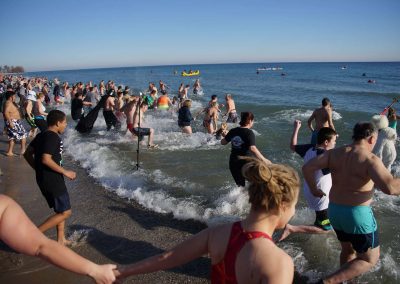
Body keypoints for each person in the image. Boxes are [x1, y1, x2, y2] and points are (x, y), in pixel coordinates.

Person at [115, 157, 300, 284]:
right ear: (283, 204)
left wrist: (123, 271)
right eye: (294, 205)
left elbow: (167, 258)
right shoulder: (279, 262)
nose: (294, 211)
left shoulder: (218, 233)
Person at [302, 122, 400, 283]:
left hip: (334, 211)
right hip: (356, 215)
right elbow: (390, 187)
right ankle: (328, 282)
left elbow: (307, 167)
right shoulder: (370, 159)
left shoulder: (334, 153)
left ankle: (344, 281)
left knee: (348, 251)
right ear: (372, 138)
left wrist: (314, 189)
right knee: (369, 260)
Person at [0, 194, 116, 284]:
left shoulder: (4, 204)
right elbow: (41, 247)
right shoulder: (4, 204)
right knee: (64, 212)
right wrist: (95, 270)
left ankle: (58, 238)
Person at [24, 110, 76, 245]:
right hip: (53, 179)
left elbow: (27, 154)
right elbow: (46, 159)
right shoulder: (53, 137)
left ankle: (61, 239)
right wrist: (65, 172)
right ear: (58, 123)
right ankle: (33, 234)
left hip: (45, 178)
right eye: (64, 122)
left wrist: (37, 169)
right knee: (66, 212)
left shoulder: (42, 135)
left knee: (60, 210)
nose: (65, 125)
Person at [279, 120, 337, 241]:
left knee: (324, 220)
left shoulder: (309, 148)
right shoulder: (326, 157)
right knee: (325, 228)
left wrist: (296, 128)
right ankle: (292, 229)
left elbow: (292, 146)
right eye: (334, 141)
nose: (335, 144)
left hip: (309, 190)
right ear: (326, 142)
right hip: (318, 193)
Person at [221, 112, 271, 187]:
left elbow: (223, 142)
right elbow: (252, 148)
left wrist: (226, 136)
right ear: (250, 121)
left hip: (233, 162)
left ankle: (239, 198)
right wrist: (264, 160)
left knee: (240, 186)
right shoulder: (249, 133)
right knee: (254, 184)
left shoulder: (233, 131)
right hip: (246, 163)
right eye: (253, 121)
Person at [3, 90, 27, 156]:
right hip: (13, 121)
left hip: (14, 121)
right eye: (14, 96)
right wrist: (10, 122)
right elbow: (6, 112)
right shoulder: (8, 103)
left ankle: (9, 152)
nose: (15, 97)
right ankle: (23, 151)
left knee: (12, 137)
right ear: (11, 97)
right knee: (23, 134)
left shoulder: (9, 102)